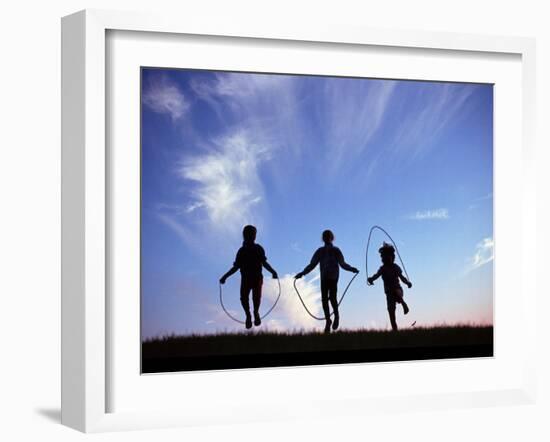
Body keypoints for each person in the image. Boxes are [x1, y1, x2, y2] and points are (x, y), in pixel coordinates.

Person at [295, 230, 359, 333]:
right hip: (324, 278)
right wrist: (302, 273)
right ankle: (328, 320)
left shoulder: (336, 250)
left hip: (333, 277)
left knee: (332, 297)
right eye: (325, 236)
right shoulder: (320, 251)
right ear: (323, 238)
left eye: (328, 236)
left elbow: (342, 264)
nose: (326, 238)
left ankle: (336, 316)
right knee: (324, 299)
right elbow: (312, 264)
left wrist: (351, 269)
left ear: (331, 238)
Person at [220, 225, 278, 329]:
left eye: (253, 234)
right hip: (246, 279)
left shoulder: (258, 249)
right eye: (251, 234)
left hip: (257, 278)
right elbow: (236, 267)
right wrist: (225, 276)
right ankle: (248, 315)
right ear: (245, 235)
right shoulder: (241, 251)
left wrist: (273, 272)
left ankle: (255, 312)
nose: (252, 236)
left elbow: (264, 263)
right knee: (244, 299)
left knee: (256, 298)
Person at [367, 242, 412, 331]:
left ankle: (403, 303)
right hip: (389, 293)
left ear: (392, 257)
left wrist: (407, 283)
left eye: (388, 256)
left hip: (398, 290)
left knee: (396, 292)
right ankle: (395, 329)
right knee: (391, 311)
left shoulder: (395, 267)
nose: (386, 258)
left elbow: (402, 277)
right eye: (384, 257)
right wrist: (371, 279)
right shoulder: (382, 268)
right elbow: (376, 275)